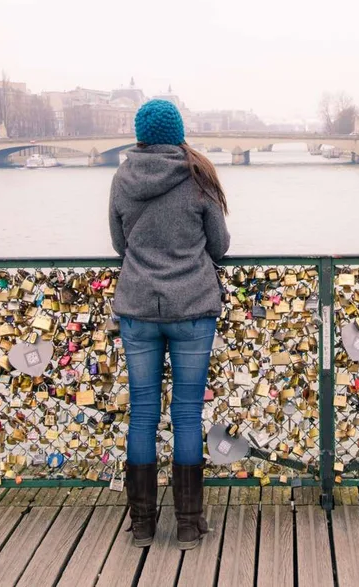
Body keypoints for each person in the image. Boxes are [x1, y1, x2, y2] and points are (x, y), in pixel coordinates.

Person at [109, 99, 231, 550]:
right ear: (178, 131)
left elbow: (119, 243)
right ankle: (187, 523)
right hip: (193, 309)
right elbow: (218, 247)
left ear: (140, 134)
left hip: (138, 309)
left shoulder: (122, 177)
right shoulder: (198, 174)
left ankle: (141, 525)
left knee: (141, 414)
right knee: (185, 414)